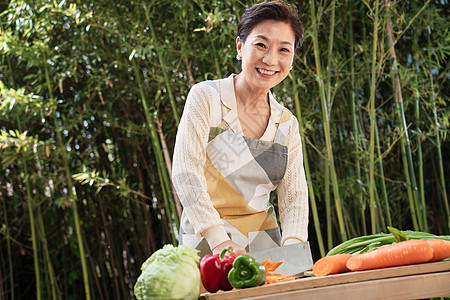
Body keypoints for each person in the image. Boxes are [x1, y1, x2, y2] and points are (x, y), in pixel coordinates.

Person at [172, 1, 308, 258]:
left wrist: (293, 252)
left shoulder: (287, 123)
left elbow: (294, 197)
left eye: (283, 50)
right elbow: (185, 172)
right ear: (239, 48)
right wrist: (218, 239)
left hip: (266, 248)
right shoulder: (206, 97)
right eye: (261, 45)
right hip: (207, 246)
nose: (271, 59)